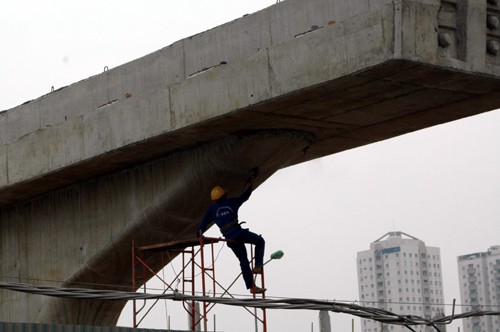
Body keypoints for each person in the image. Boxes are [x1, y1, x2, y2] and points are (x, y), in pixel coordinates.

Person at [196, 168, 266, 294]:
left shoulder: (212, 209)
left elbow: (202, 225)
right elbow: (245, 196)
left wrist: (199, 235)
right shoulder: (231, 202)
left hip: (230, 238)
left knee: (243, 260)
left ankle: (252, 287)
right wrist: (251, 182)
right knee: (259, 241)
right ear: (224, 195)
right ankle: (257, 266)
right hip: (238, 233)